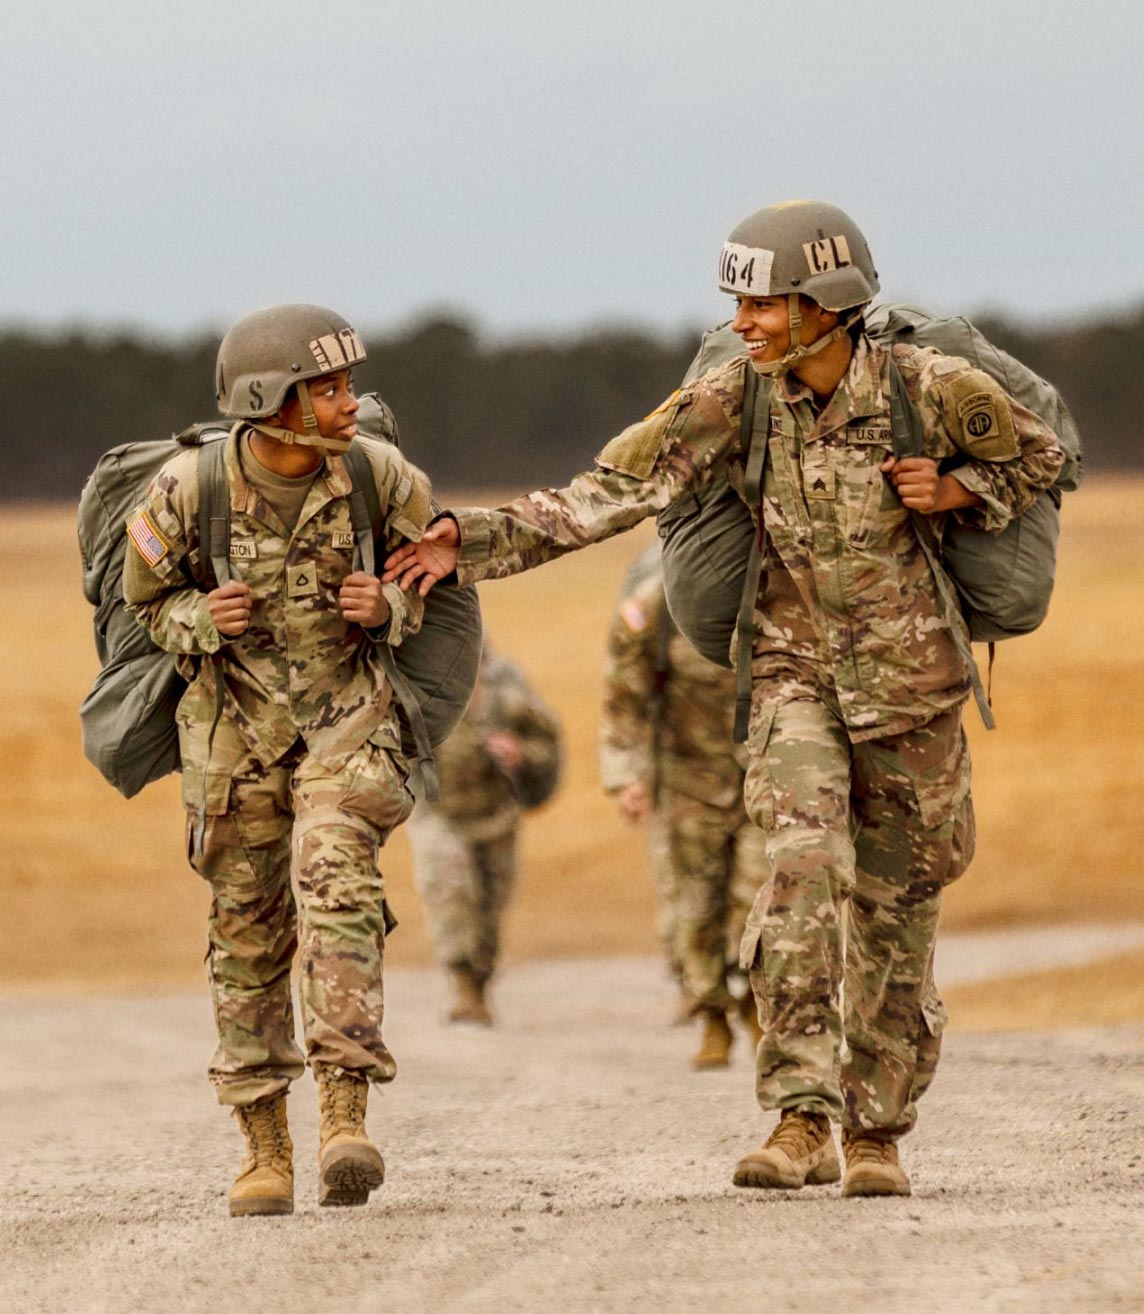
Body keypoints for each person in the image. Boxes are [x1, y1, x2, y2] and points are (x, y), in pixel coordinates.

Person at [383, 201, 1065, 1198]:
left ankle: (877, 1133)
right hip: (792, 682)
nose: (740, 322)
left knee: (897, 914)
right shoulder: (731, 399)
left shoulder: (931, 387)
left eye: (760, 304)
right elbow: (604, 492)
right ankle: (799, 1116)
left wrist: (958, 491)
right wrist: (470, 541)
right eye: (737, 305)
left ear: (824, 303)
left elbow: (1040, 456)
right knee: (799, 872)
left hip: (915, 692)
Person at [124, 304, 434, 1217]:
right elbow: (147, 602)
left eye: (349, 385)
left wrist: (389, 609)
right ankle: (264, 1148)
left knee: (337, 883)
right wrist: (197, 617)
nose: (350, 404)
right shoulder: (187, 490)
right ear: (269, 402)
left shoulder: (380, 476)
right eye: (328, 389)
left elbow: (436, 578)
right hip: (234, 739)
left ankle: (345, 1116)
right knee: (248, 934)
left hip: (347, 725)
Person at [600, 543, 765, 1069]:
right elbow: (624, 696)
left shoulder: (776, 587)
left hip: (765, 774)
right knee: (695, 908)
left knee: (764, 896)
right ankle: (711, 1014)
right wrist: (628, 776)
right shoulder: (655, 607)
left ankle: (759, 1005)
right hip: (686, 779)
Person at [406, 640, 562, 1026]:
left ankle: (480, 982)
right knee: (450, 891)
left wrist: (520, 752)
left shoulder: (510, 693)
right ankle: (463, 986)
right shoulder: (420, 686)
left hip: (496, 816)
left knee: (491, 904)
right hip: (438, 815)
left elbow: (547, 745)